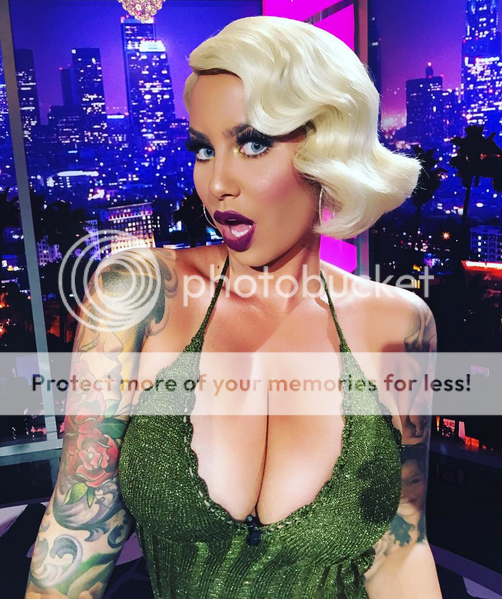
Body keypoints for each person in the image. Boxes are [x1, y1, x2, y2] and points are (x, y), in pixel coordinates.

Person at [25, 15, 443, 599]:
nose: (217, 182)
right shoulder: (139, 294)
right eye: (203, 148)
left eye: (253, 143)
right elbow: (79, 532)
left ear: (330, 149)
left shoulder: (401, 324)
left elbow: (401, 547)